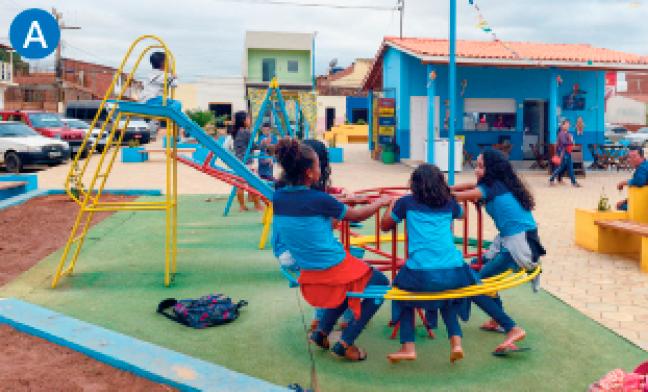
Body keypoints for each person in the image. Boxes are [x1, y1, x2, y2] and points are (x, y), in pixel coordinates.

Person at [381, 164, 528, 363]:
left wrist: (391, 206)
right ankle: (510, 326)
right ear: (441, 184)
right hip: (454, 269)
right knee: (474, 288)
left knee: (400, 294)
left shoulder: (406, 202)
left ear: (414, 185)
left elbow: (385, 226)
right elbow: (462, 214)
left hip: (421, 272)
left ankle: (408, 346)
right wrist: (447, 198)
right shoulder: (448, 203)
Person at [273, 138, 392, 361]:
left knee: (350, 285)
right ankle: (346, 342)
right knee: (382, 286)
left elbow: (310, 202)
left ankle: (321, 332)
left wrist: (347, 199)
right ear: (309, 173)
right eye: (318, 166)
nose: (321, 170)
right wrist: (381, 202)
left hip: (308, 268)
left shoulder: (278, 197)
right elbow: (357, 215)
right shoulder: (319, 199)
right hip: (333, 264)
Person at [452, 149, 545, 335]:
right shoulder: (501, 184)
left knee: (475, 284)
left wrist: (432, 192)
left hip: (517, 248)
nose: (476, 170)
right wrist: (446, 187)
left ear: (492, 169)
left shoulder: (490, 188)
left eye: (480, 167)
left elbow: (458, 197)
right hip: (518, 242)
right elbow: (468, 186)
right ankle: (497, 318)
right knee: (474, 267)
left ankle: (508, 324)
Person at [273, 138, 354, 331]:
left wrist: (338, 200)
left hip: (283, 251)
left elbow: (312, 206)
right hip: (297, 254)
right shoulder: (313, 193)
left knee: (322, 268)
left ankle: (319, 318)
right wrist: (346, 207)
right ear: (311, 168)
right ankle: (346, 317)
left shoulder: (283, 191)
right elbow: (328, 226)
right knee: (340, 268)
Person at [139, 52, 181, 137]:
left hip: (145, 101)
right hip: (154, 100)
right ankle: (173, 118)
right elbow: (175, 84)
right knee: (177, 104)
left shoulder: (151, 74)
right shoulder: (163, 75)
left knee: (169, 102)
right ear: (164, 65)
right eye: (168, 63)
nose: (170, 65)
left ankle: (161, 118)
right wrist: (174, 77)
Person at [232, 111, 263, 212]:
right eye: (248, 119)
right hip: (247, 161)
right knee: (253, 183)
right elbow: (253, 146)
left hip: (238, 160)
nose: (249, 121)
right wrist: (264, 144)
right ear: (243, 121)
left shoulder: (235, 132)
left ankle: (242, 206)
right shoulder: (245, 132)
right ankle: (257, 205)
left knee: (240, 184)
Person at [549, 119, 581, 187]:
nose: (567, 126)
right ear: (562, 125)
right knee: (560, 167)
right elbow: (564, 142)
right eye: (565, 124)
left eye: (568, 124)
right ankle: (551, 180)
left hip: (567, 152)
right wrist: (572, 142)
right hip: (564, 153)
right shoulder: (562, 133)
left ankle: (574, 182)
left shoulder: (566, 133)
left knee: (570, 168)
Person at [616, 146, 648, 211]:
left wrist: (622, 183)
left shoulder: (643, 167)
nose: (632, 159)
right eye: (630, 157)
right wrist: (625, 201)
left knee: (622, 207)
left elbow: (639, 182)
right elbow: (640, 191)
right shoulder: (643, 166)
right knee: (622, 205)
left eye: (634, 157)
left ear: (642, 157)